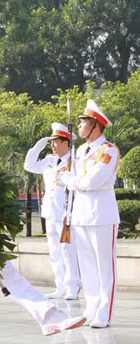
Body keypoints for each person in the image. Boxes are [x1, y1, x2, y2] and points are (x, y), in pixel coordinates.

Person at [58, 99, 120, 328]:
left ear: (96, 126)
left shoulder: (108, 150)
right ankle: (91, 307)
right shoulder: (81, 150)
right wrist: (69, 211)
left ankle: (104, 311)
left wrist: (70, 180)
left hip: (102, 215)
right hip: (81, 215)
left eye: (84, 121)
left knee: (105, 266)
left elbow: (92, 182)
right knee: (87, 266)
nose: (80, 125)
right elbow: (74, 183)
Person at [23, 123, 79, 299]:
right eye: (51, 142)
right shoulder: (49, 161)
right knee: (54, 251)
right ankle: (60, 285)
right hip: (49, 212)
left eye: (55, 141)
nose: (53, 145)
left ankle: (72, 286)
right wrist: (40, 145)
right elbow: (29, 165)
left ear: (66, 142)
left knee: (67, 251)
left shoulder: (74, 161)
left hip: (65, 213)